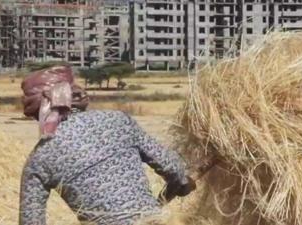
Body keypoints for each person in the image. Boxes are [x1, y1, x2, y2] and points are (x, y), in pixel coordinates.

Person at [19, 65, 195, 225]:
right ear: (75, 93)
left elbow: (30, 222)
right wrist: (180, 184)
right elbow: (173, 168)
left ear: (36, 111)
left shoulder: (38, 160)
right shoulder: (118, 120)